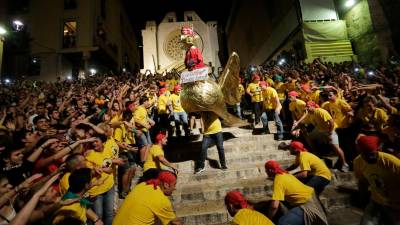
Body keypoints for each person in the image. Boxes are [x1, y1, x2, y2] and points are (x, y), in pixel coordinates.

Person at [353, 135, 400, 225]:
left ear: (378, 150)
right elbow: (362, 182)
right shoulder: (358, 162)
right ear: (360, 152)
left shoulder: (392, 163)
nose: (369, 158)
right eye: (365, 155)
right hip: (377, 201)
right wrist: (362, 201)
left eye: (372, 154)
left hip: (396, 205)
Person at [265, 160, 327, 225]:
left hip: (306, 204)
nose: (266, 172)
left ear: (270, 170)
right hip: (313, 196)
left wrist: (267, 219)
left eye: (266, 170)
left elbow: (274, 206)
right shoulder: (285, 173)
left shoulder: (278, 181)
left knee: (282, 223)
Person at [113, 171, 182, 225]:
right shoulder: (162, 201)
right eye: (174, 185)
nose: (174, 188)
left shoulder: (143, 185)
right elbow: (176, 222)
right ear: (166, 185)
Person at [303, 101, 349, 172]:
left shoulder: (320, 111)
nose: (306, 108)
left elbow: (331, 122)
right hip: (320, 130)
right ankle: (317, 153)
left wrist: (330, 133)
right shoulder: (310, 114)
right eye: (306, 106)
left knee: (335, 147)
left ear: (313, 106)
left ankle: (344, 164)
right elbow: (304, 122)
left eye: (308, 106)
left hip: (330, 129)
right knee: (309, 137)